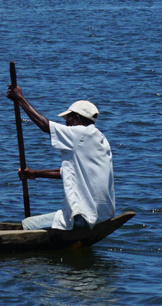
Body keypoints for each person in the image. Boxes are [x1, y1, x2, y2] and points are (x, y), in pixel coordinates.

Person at [8, 83, 116, 231]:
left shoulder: (80, 133)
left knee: (27, 225)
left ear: (77, 119)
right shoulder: (101, 139)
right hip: (102, 216)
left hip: (82, 217)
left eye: (68, 119)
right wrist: (35, 174)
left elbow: (45, 126)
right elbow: (69, 171)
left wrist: (20, 98)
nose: (66, 123)